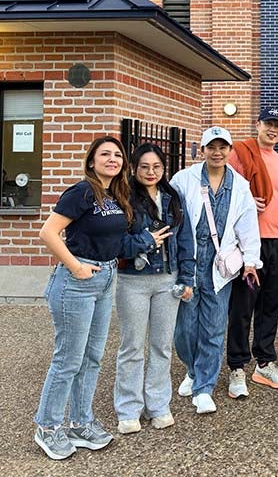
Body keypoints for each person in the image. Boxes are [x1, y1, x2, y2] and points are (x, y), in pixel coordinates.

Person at [34, 136, 132, 461]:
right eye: (105, 154)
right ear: (91, 161)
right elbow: (48, 232)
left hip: (105, 279)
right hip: (76, 283)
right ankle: (47, 427)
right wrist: (76, 267)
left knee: (92, 359)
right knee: (68, 360)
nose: (112, 159)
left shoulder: (115, 195)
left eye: (117, 155)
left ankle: (79, 423)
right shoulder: (82, 192)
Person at [170, 127, 261, 414]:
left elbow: (247, 225)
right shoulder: (183, 180)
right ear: (202, 150)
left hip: (220, 266)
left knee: (213, 327)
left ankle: (204, 387)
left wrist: (251, 260)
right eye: (212, 147)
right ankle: (193, 368)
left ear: (230, 151)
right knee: (185, 328)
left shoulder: (240, 186)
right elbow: (171, 217)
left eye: (223, 147)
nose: (217, 152)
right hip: (189, 262)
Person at [114, 143, 195, 433]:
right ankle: (128, 409)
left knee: (161, 346)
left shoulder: (173, 197)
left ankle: (159, 405)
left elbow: (186, 240)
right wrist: (145, 241)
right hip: (133, 281)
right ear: (134, 168)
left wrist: (187, 277)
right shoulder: (122, 197)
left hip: (167, 280)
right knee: (132, 346)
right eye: (145, 167)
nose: (151, 172)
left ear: (164, 169)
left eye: (157, 167)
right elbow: (115, 244)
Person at [226, 108, 278, 398]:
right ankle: (236, 365)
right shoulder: (240, 153)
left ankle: (264, 362)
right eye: (268, 124)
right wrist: (245, 202)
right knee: (244, 305)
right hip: (250, 241)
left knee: (272, 304)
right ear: (258, 125)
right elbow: (226, 190)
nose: (273, 130)